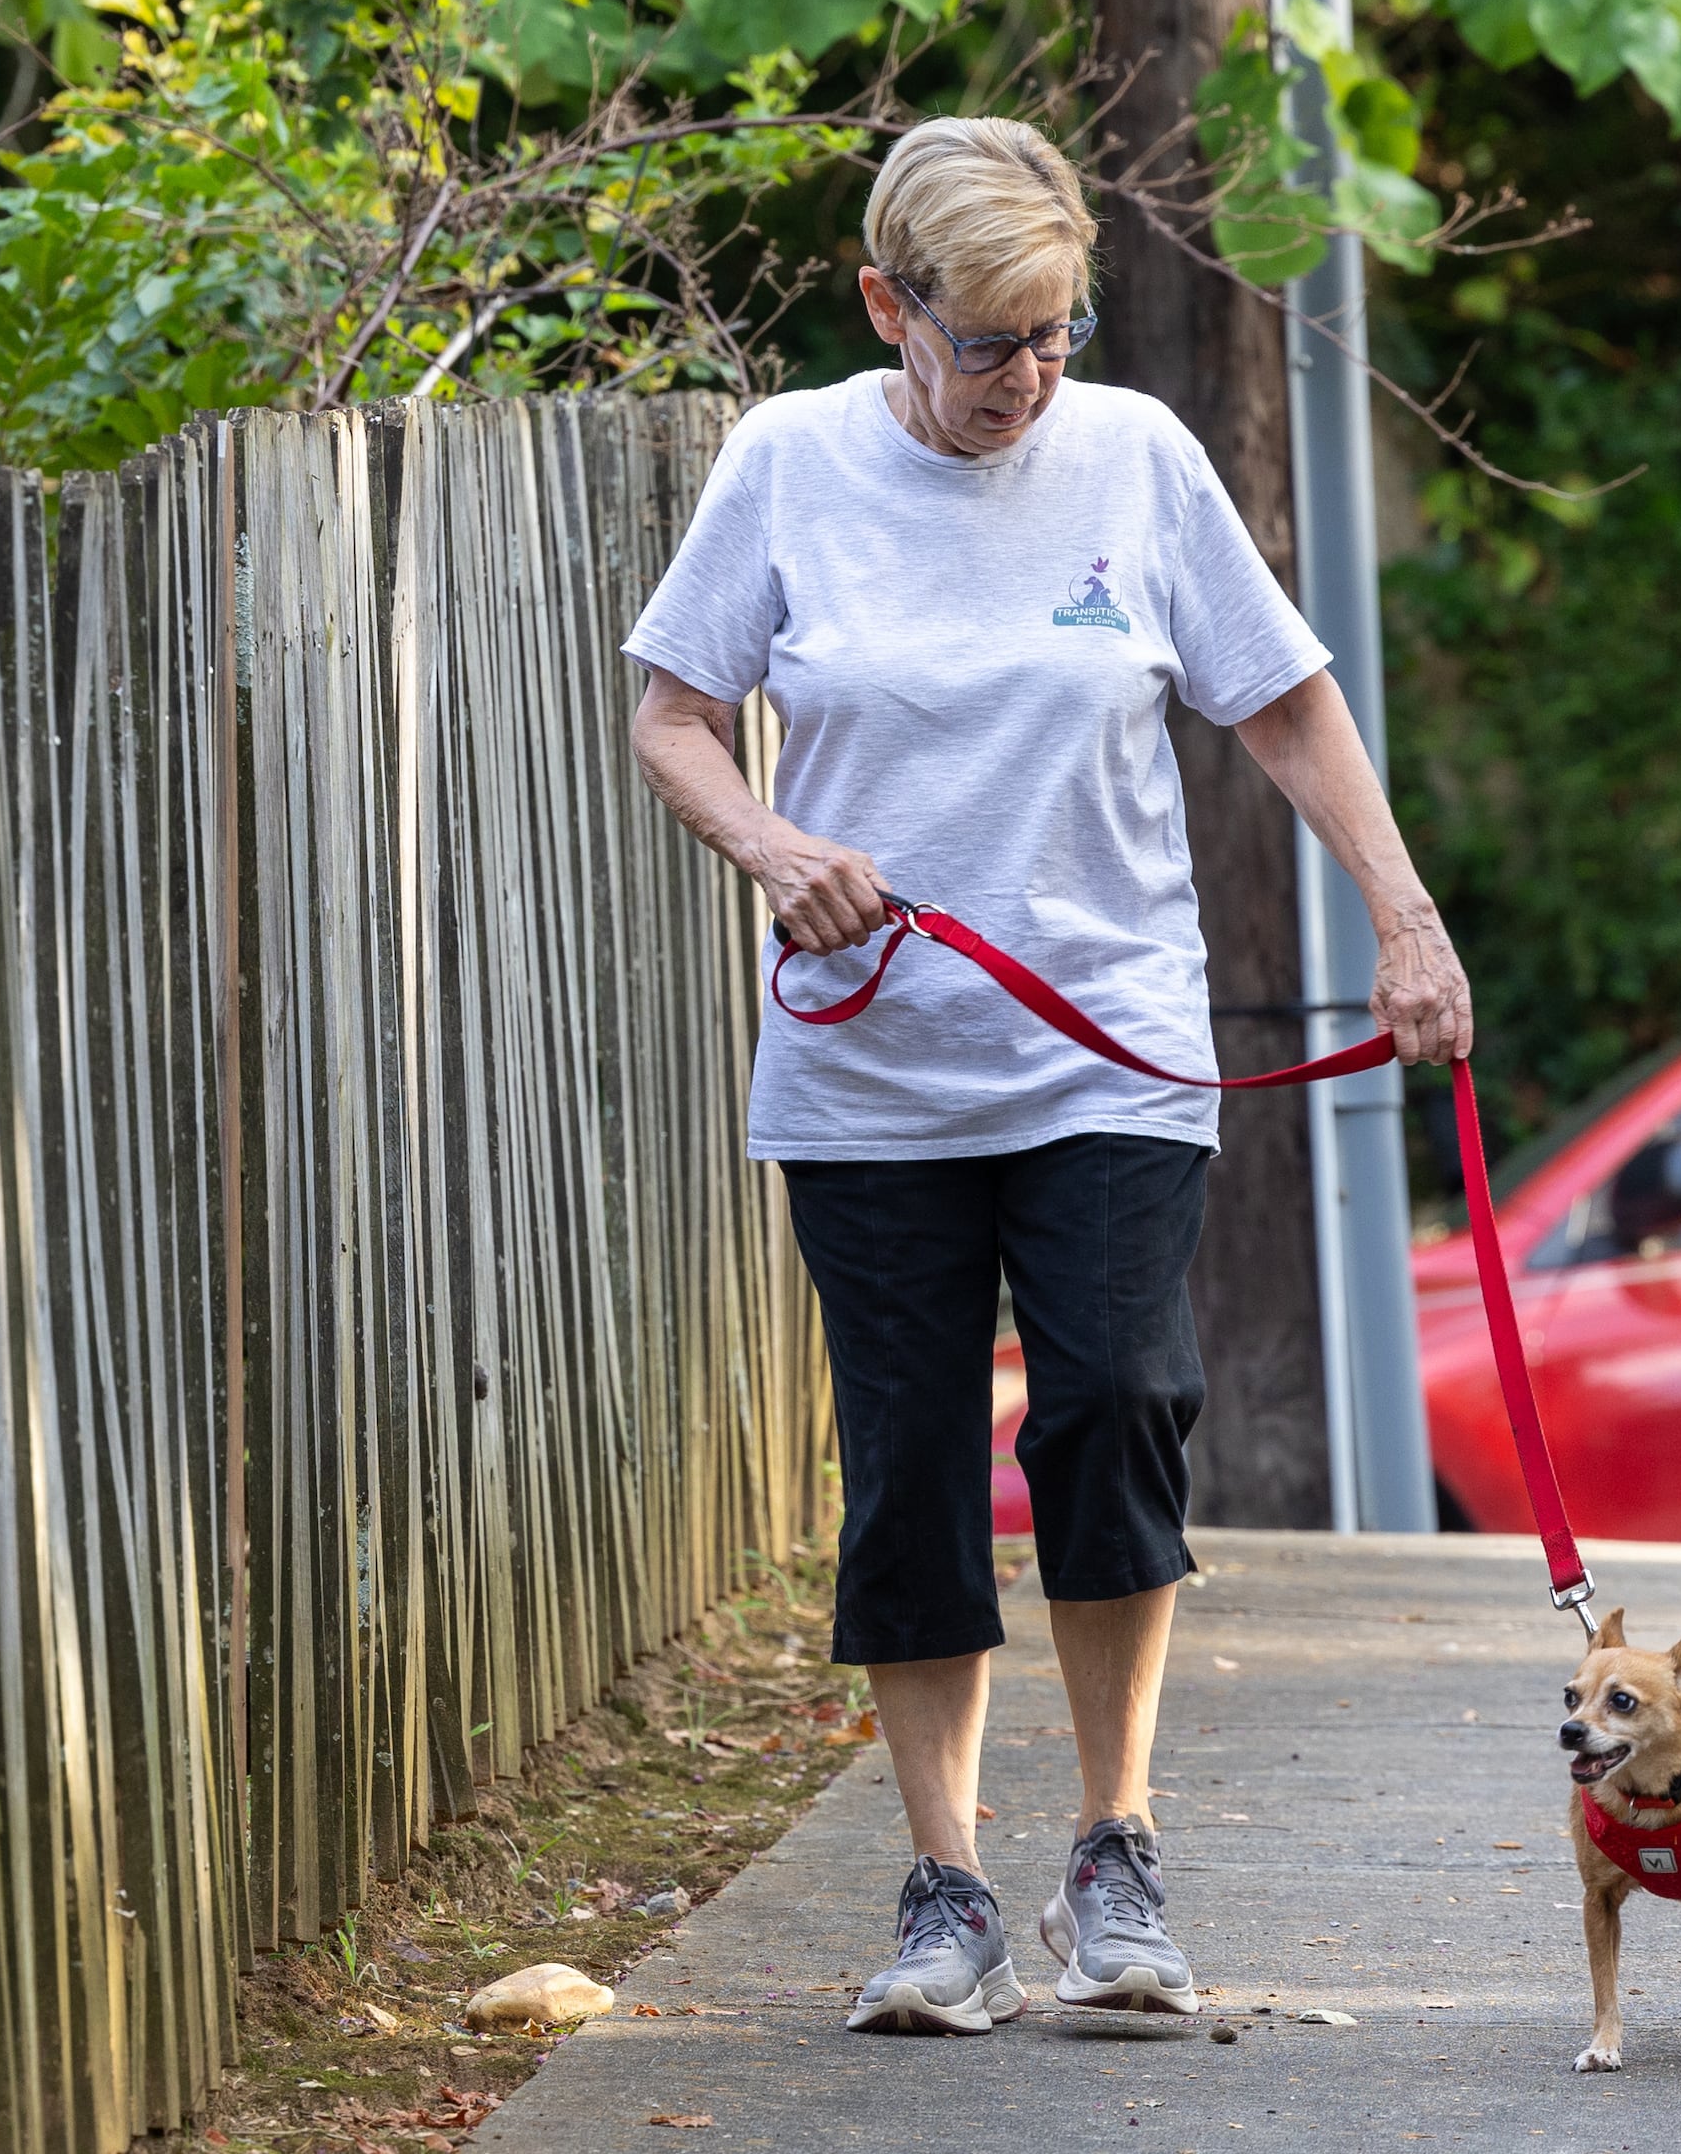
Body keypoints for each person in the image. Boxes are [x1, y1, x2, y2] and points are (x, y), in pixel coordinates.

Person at [619, 115, 1475, 2030]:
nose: (1029, 379)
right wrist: (773, 848)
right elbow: (673, 720)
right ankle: (945, 1892)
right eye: (989, 341)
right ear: (884, 308)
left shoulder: (1135, 457)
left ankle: (1116, 1850)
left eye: (1056, 334)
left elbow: (1285, 696)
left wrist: (1406, 924)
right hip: (873, 1079)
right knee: (909, 1467)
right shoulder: (790, 465)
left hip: (1110, 1052)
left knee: (1115, 1402)